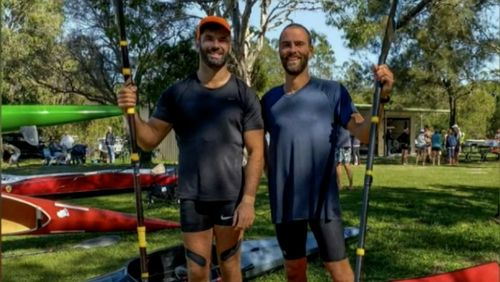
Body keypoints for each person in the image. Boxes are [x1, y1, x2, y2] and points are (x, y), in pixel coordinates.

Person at [117, 16, 264, 282]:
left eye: (222, 40)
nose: (215, 45)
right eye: (209, 38)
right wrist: (131, 113)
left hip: (231, 196)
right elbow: (148, 140)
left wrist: (249, 200)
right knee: (197, 270)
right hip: (192, 197)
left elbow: (256, 151)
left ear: (229, 45)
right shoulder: (178, 93)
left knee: (230, 266)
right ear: (198, 42)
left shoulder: (244, 95)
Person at [261, 23, 393, 282]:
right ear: (279, 50)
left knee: (339, 270)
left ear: (311, 49)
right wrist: (272, 175)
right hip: (285, 202)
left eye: (299, 44)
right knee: (294, 271)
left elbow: (364, 133)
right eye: (286, 44)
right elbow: (257, 146)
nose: (292, 50)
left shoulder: (333, 91)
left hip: (323, 202)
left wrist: (383, 97)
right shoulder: (268, 100)